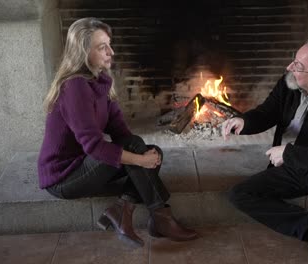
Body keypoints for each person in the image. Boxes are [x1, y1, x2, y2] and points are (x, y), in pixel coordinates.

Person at [37, 17, 198, 247]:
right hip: (64, 177)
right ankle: (161, 217)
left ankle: (123, 209)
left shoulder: (101, 81)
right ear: (83, 52)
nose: (111, 52)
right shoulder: (75, 87)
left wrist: (143, 156)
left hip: (84, 165)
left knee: (150, 150)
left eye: (109, 44)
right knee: (139, 153)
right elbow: (93, 145)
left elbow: (121, 133)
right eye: (102, 47)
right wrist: (139, 159)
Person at [222, 38, 308, 264]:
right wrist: (244, 121)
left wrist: (288, 153)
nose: (289, 68)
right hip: (290, 164)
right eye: (293, 60)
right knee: (240, 194)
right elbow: (267, 113)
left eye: (298, 66)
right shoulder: (290, 82)